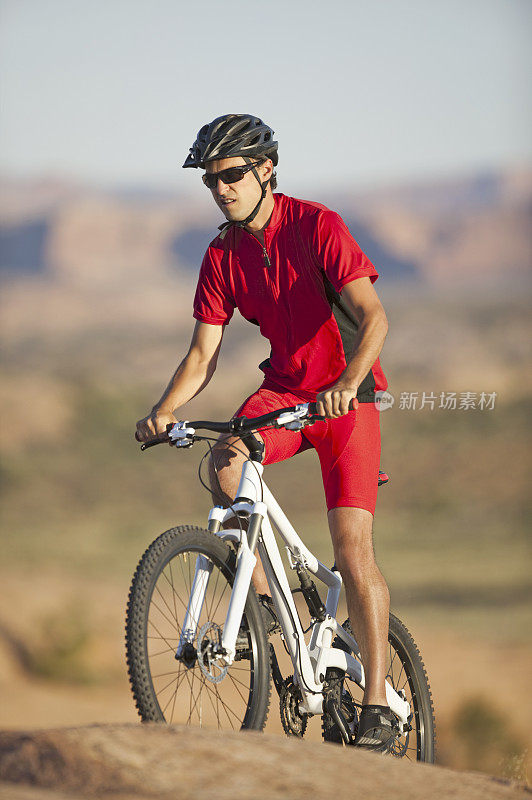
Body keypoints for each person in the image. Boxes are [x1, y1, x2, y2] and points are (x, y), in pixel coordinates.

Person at [135, 113, 395, 751]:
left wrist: (348, 384)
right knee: (225, 464)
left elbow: (373, 316)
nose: (219, 189)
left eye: (230, 175)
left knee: (351, 549)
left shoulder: (315, 226)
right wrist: (163, 410)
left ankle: (377, 701)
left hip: (345, 400)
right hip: (284, 391)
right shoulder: (222, 254)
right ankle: (264, 618)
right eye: (210, 180)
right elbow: (203, 354)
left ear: (266, 170)